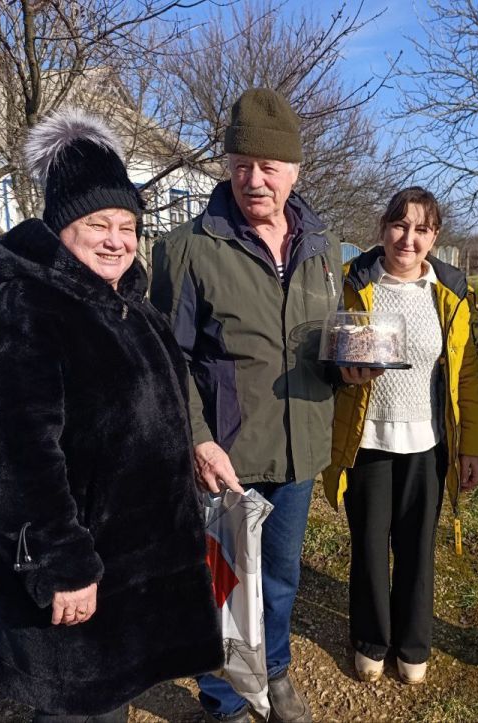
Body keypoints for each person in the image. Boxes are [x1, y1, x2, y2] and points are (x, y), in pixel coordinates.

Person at [0, 109, 223, 722]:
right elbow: (16, 457)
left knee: (114, 703)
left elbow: (160, 405)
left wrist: (197, 446)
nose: (116, 240)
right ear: (61, 229)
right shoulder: (25, 312)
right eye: (97, 224)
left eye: (127, 226)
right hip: (80, 573)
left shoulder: (131, 307)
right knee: (77, 710)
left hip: (132, 570)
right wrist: (61, 565)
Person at [150, 88, 342, 723]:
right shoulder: (188, 248)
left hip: (299, 448)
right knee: (226, 586)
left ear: (295, 170)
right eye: (241, 165)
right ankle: (226, 697)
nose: (254, 180)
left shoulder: (324, 247)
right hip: (226, 453)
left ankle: (274, 673)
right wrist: (197, 439)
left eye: (268, 166)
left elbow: (327, 341)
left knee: (281, 578)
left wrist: (347, 366)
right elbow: (168, 359)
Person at [321, 187, 478, 686]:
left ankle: (413, 644)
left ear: (435, 237)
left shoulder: (450, 293)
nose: (408, 239)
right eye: (399, 225)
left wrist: (472, 447)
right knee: (369, 547)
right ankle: (371, 640)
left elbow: (466, 375)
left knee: (417, 549)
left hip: (428, 444)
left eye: (421, 229)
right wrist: (340, 370)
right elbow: (322, 351)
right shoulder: (350, 283)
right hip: (366, 440)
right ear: (382, 228)